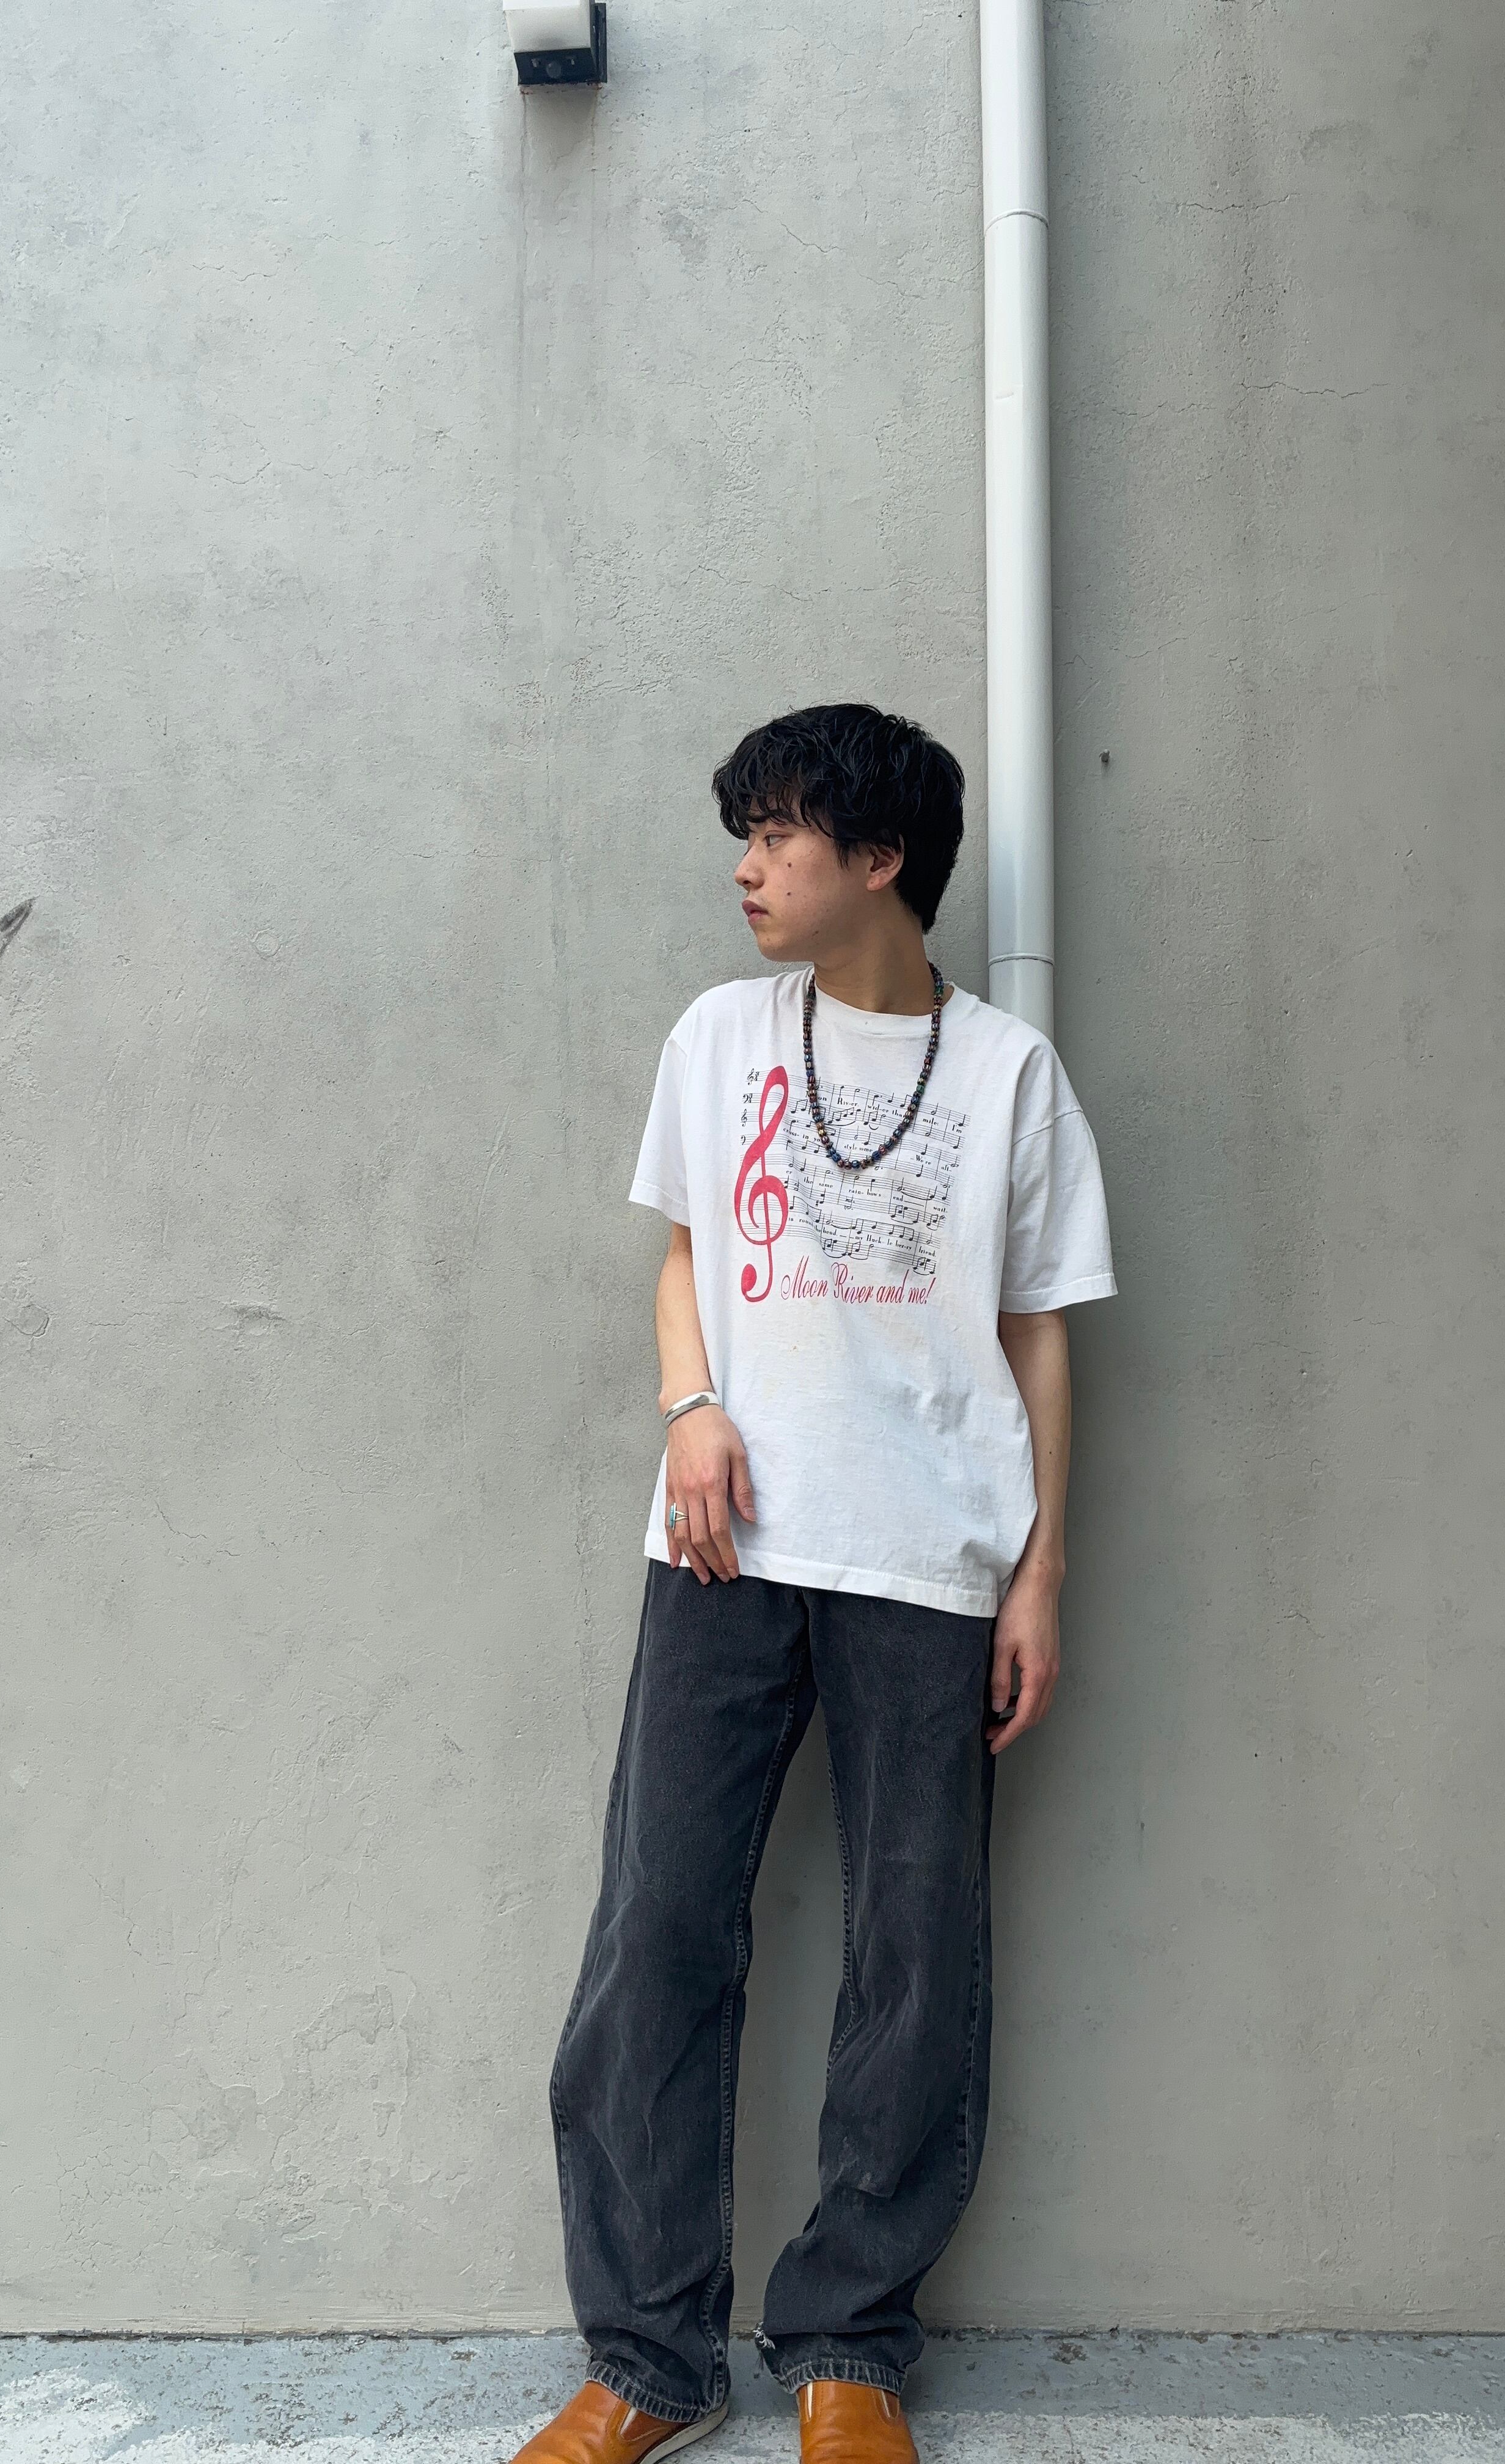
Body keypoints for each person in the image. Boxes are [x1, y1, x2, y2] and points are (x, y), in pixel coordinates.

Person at [511, 705, 1116, 2464]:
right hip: (721, 1551)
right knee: (657, 1932)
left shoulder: (1010, 1077)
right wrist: (690, 1409)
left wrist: (1041, 1574)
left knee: (915, 1955)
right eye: (749, 832)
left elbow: (1040, 1339)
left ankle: (849, 2341)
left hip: (929, 1561)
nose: (748, 865)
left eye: (780, 833)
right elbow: (686, 1257)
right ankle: (646, 2359)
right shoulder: (720, 1037)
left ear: (882, 859)